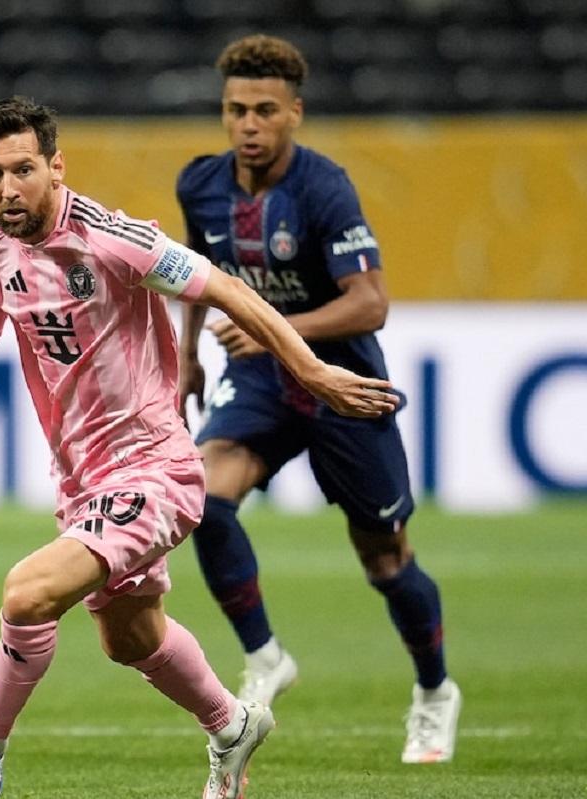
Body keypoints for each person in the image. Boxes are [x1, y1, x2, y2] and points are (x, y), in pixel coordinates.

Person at [0, 96, 400, 798]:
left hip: (154, 467)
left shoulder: (110, 238)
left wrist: (313, 371)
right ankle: (231, 724)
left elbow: (227, 289)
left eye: (23, 170)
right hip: (82, 479)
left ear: (56, 166)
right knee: (130, 637)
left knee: (28, 593)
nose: (7, 189)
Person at [174, 35, 462, 764]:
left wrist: (273, 330)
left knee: (386, 561)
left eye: (265, 110)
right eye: (237, 109)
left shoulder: (324, 189)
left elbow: (371, 303)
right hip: (262, 383)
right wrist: (186, 356)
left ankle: (434, 692)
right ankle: (265, 656)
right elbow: (195, 273)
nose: (248, 124)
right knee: (203, 496)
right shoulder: (200, 185)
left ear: (294, 113)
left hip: (343, 386)